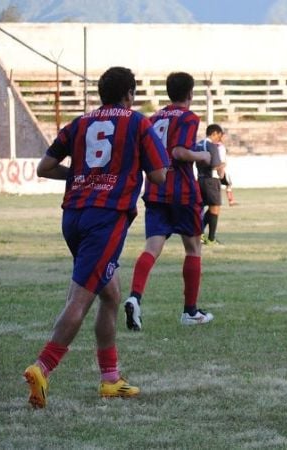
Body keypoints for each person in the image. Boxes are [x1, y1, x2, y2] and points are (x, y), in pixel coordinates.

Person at [22, 66, 169, 408]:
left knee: (111, 294)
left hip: (73, 215)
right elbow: (160, 175)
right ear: (129, 94)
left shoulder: (80, 123)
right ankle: (42, 366)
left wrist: (80, 176)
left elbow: (44, 167)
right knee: (81, 297)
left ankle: (110, 379)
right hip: (106, 219)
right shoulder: (137, 122)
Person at [124, 72, 214, 331]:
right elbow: (178, 151)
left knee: (152, 247)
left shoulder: (154, 118)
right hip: (182, 191)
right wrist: (202, 156)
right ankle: (190, 311)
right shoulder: (188, 117)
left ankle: (135, 297)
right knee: (193, 248)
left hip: (155, 189)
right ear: (190, 94)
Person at [197, 124, 225, 245]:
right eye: (219, 136)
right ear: (214, 133)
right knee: (215, 207)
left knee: (204, 207)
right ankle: (211, 238)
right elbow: (215, 165)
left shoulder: (198, 144)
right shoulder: (212, 146)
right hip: (211, 180)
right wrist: (223, 166)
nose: (219, 138)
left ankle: (199, 234)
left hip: (200, 178)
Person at [217, 137, 237, 206]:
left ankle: (222, 201)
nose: (224, 139)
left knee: (220, 184)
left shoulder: (214, 145)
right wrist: (222, 168)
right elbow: (222, 160)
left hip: (216, 168)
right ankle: (230, 201)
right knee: (228, 184)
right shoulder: (221, 147)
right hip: (221, 169)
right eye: (223, 137)